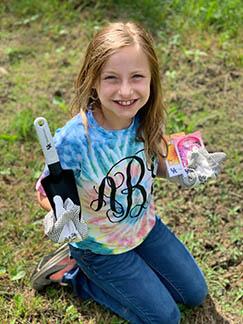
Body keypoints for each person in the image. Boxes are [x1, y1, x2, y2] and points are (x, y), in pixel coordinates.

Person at [32, 21, 226, 323]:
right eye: (112, 78)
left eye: (137, 77)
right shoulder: (75, 138)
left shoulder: (144, 118)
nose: (125, 91)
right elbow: (47, 188)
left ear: (151, 80)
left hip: (145, 229)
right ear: (93, 81)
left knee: (195, 293)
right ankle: (75, 274)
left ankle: (134, 274)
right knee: (166, 318)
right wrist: (60, 214)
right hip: (100, 248)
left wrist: (183, 167)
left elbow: (156, 161)